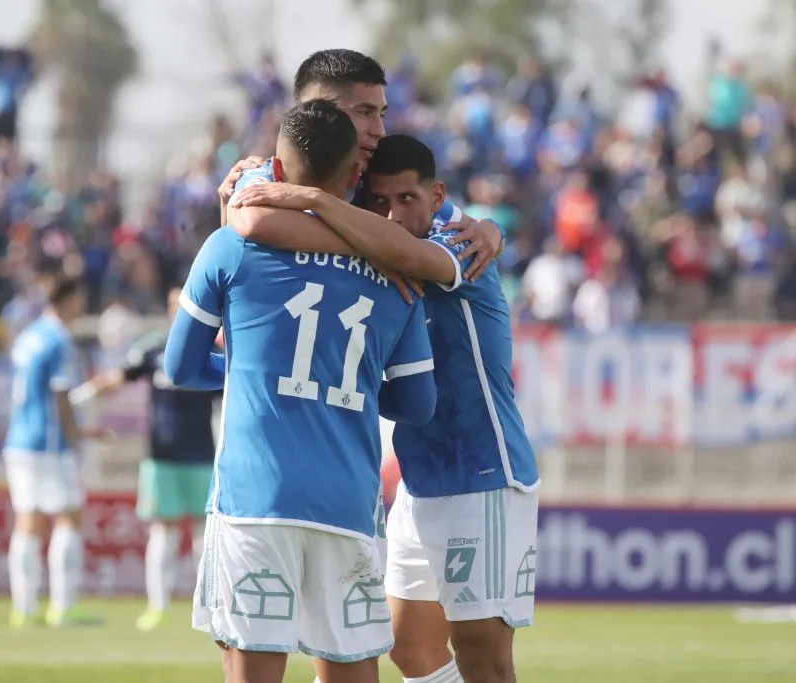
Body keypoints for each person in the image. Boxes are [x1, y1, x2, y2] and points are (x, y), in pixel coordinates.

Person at [231, 134, 540, 683]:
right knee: (409, 650)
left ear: (437, 194)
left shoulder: (459, 242)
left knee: (482, 657)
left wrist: (316, 201)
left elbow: (403, 253)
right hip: (420, 481)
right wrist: (254, 177)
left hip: (484, 474)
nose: (393, 216)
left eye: (406, 200)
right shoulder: (372, 242)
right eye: (379, 201)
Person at [164, 101, 437, 683]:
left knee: (254, 669)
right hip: (348, 503)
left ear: (278, 176)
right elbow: (418, 404)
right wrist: (355, 390)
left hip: (255, 500)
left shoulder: (232, 246)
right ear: (353, 179)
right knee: (352, 670)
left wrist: (248, 374)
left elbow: (181, 366)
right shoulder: (396, 273)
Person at [218, 49, 505, 283]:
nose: (380, 130)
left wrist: (492, 231)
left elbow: (471, 228)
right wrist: (380, 250)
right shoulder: (263, 173)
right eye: (364, 113)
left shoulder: (379, 181)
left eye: (381, 113)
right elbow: (253, 221)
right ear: (318, 114)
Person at [72, 286, 219, 633]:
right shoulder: (155, 349)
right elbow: (119, 378)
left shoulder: (214, 353)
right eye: (176, 304)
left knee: (204, 538)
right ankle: (158, 606)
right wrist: (78, 397)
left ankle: (208, 609)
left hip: (202, 455)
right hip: (162, 457)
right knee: (163, 534)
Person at [2, 278, 109, 629]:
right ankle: (63, 607)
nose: (81, 307)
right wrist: (77, 433)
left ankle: (25, 608)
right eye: (79, 299)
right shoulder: (59, 339)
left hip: (18, 440)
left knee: (28, 522)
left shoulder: (28, 336)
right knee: (69, 517)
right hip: (48, 442)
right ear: (67, 299)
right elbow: (61, 394)